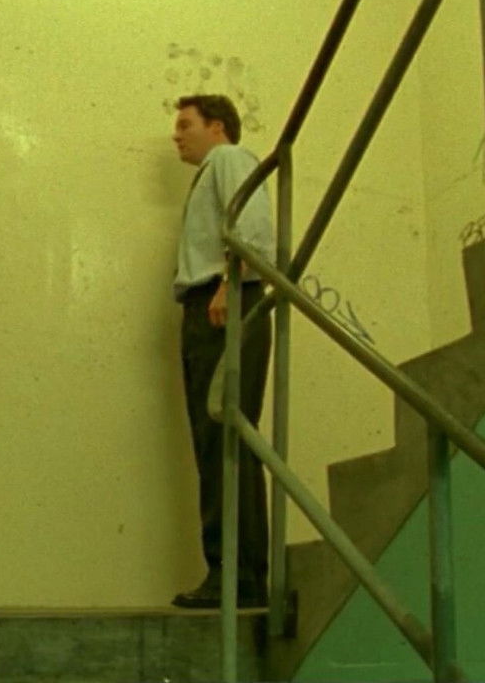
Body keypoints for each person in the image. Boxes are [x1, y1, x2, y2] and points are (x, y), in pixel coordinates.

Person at [169, 95, 275, 609]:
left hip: (224, 302)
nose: (176, 135)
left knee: (224, 441)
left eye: (185, 124)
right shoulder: (212, 171)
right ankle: (238, 575)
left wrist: (230, 283)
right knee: (219, 442)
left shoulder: (230, 158)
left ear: (217, 127)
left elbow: (252, 224)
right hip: (208, 306)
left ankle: (235, 575)